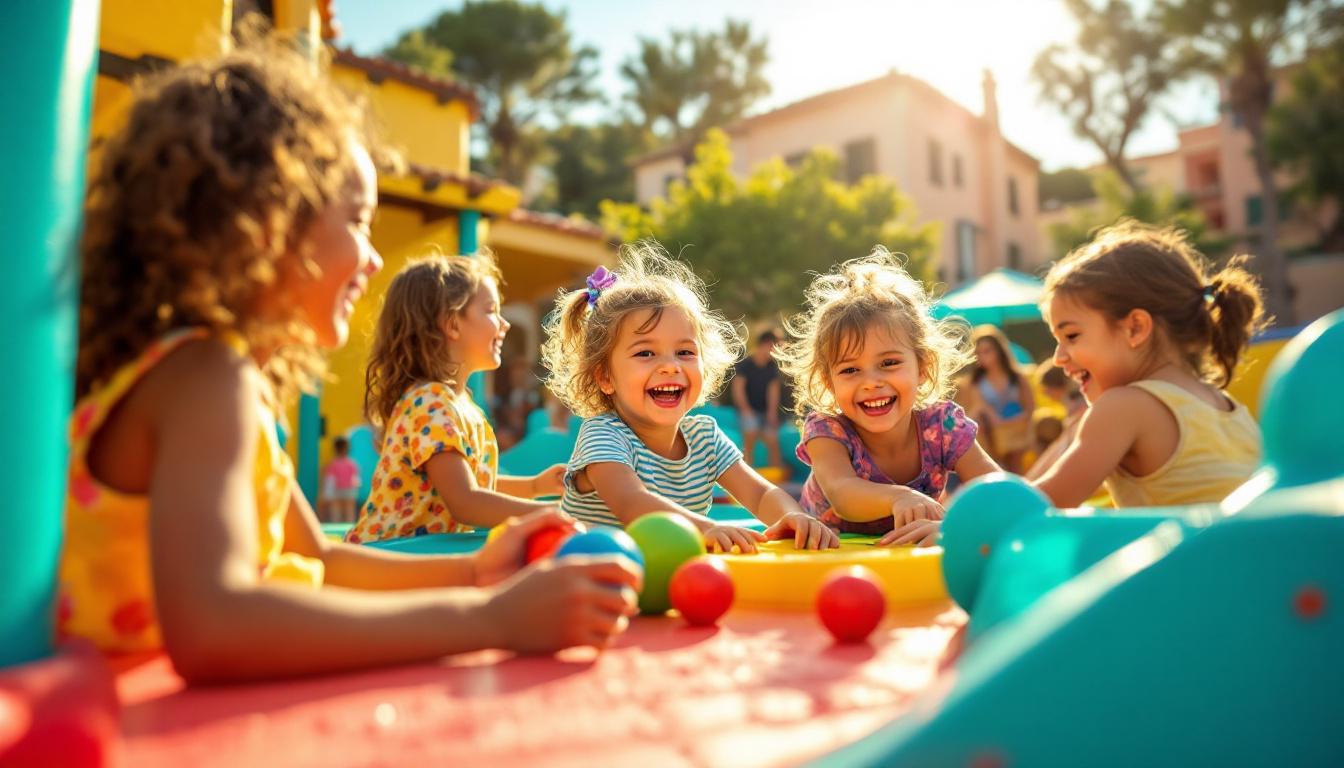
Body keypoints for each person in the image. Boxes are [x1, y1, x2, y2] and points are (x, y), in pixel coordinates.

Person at [60, 40, 639, 680]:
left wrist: (477, 573)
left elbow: (324, 564)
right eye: (359, 221)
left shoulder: (222, 383)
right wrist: (493, 620)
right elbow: (213, 626)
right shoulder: (204, 381)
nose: (371, 257)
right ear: (270, 221)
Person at [540, 245, 839, 552]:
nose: (671, 365)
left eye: (685, 352)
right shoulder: (604, 435)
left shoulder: (704, 437)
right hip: (595, 580)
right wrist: (707, 528)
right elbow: (632, 503)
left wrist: (792, 517)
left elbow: (760, 495)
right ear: (605, 377)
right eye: (645, 353)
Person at [1030, 221, 1265, 507]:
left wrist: (964, 443)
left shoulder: (1124, 407)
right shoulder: (1229, 408)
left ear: (1135, 328)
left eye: (1071, 336)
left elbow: (1031, 511)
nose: (1058, 357)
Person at [775, 249, 1001, 547]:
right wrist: (900, 497)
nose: (871, 383)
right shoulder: (828, 431)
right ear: (829, 383)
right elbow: (843, 493)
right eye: (851, 369)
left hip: (904, 564)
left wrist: (956, 529)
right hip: (829, 561)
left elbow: (999, 495)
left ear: (923, 367)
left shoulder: (942, 428)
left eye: (889, 363)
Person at [345, 254, 566, 543]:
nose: (504, 324)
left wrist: (536, 485)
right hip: (391, 555)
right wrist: (556, 513)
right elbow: (466, 502)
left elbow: (470, 485)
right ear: (452, 324)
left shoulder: (456, 403)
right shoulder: (431, 403)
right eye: (490, 311)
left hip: (416, 555)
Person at [967, 325, 1035, 473]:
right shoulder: (977, 381)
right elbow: (982, 406)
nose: (982, 356)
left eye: (987, 351)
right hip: (991, 432)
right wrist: (998, 421)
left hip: (1018, 428)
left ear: (999, 350)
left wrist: (1019, 419)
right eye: (978, 352)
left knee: (1016, 463)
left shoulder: (1017, 377)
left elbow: (1030, 406)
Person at [731, 330, 786, 472]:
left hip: (764, 412)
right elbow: (738, 389)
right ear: (767, 344)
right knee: (750, 431)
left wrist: (772, 413)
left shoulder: (772, 367)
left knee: (773, 439)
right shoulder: (746, 364)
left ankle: (776, 472)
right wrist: (745, 410)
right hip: (748, 410)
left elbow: (773, 391)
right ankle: (747, 470)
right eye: (776, 347)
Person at [320, 436, 360, 524]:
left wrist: (327, 494)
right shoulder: (351, 463)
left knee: (336, 510)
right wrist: (356, 488)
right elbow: (355, 478)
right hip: (349, 489)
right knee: (349, 510)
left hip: (336, 490)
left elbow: (330, 480)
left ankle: (336, 523)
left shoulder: (333, 463)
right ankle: (350, 524)